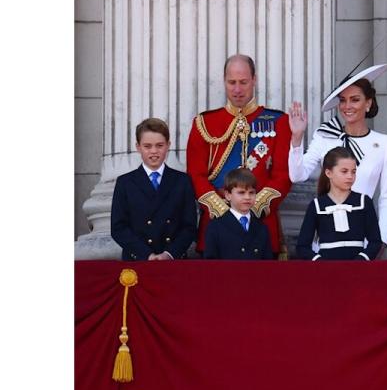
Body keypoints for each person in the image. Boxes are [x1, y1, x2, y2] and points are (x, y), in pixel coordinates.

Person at [186, 54, 292, 257]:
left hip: (261, 227)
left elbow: (283, 174)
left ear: (254, 80)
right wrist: (224, 211)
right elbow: (195, 174)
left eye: (243, 82)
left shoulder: (278, 121)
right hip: (215, 226)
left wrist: (253, 207)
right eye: (231, 82)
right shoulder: (204, 123)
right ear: (224, 81)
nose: (237, 89)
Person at [288, 64, 387, 254]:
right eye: (343, 100)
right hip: (326, 239)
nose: (347, 106)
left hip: (363, 240)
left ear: (368, 103)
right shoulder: (324, 136)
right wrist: (296, 139)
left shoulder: (385, 143)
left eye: (355, 100)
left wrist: (381, 242)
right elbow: (297, 175)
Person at [111, 118, 198, 261]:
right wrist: (147, 255)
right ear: (138, 147)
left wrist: (169, 254)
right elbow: (118, 228)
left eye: (159, 145)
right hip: (138, 260)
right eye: (147, 146)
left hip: (173, 261)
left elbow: (189, 226)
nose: (154, 151)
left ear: (168, 145)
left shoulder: (182, 181)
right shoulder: (125, 183)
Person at [295, 147, 383, 261]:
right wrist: (320, 262)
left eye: (353, 171)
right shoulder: (316, 205)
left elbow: (375, 242)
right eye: (344, 171)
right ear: (328, 173)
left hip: (358, 272)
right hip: (327, 272)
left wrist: (362, 259)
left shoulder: (364, 202)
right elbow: (302, 247)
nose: (350, 176)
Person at [203, 168, 273, 259]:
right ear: (228, 195)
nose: (247, 197)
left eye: (251, 193)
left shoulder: (261, 228)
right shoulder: (216, 227)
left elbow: (267, 265)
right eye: (241, 193)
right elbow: (210, 264)